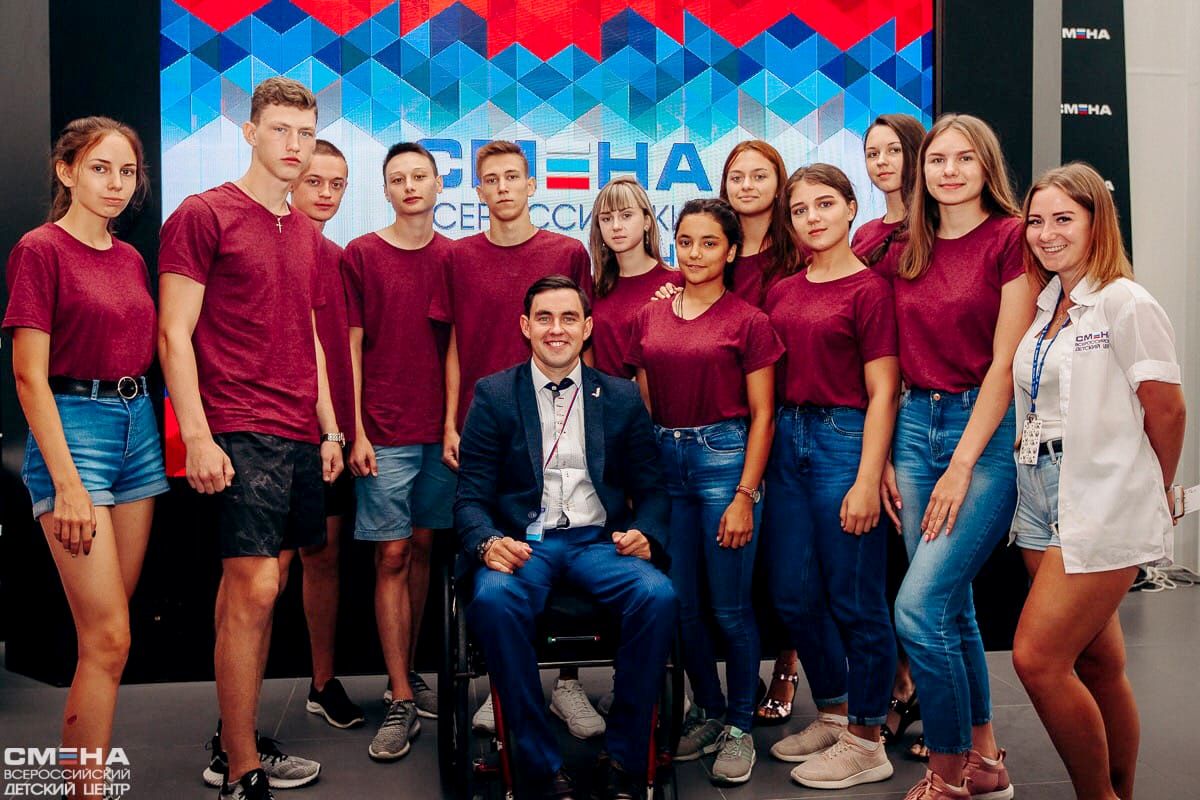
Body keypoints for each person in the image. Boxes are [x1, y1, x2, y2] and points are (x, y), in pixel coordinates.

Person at [159, 77, 342, 800]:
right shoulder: (204, 213)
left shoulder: (306, 233)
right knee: (256, 587)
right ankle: (242, 771)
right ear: (249, 132)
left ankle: (232, 742)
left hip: (297, 432)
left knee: (263, 588)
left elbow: (310, 339)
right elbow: (173, 334)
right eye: (280, 130)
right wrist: (197, 437)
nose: (294, 145)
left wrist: (329, 428)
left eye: (306, 133)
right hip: (237, 424)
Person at [457, 275, 677, 800]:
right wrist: (487, 543)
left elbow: (653, 489)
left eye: (569, 318)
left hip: (597, 543)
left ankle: (624, 758)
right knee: (492, 599)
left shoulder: (620, 396)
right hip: (524, 544)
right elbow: (469, 499)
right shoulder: (494, 395)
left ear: (587, 327)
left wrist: (646, 532)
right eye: (545, 319)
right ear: (525, 326)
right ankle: (537, 765)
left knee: (658, 595)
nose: (556, 329)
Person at [1010, 162, 1185, 800]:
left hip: (1100, 496)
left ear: (1096, 222)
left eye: (1063, 219)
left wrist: (1151, 489)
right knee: (1098, 662)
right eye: (1036, 221)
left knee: (1037, 659)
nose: (1046, 233)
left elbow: (1167, 409)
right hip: (1038, 492)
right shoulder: (1047, 304)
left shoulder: (1124, 301)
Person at [4, 117, 168, 800]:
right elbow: (28, 377)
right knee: (107, 639)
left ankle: (84, 784)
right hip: (74, 434)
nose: (116, 184)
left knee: (108, 639)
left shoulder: (129, 258)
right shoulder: (40, 250)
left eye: (127, 172)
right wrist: (67, 484)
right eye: (101, 168)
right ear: (66, 171)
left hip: (139, 431)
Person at [429, 140, 600, 738]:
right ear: (478, 190)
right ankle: (508, 682)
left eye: (512, 177)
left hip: (559, 427)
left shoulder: (566, 252)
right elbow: (454, 344)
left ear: (531, 186)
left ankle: (568, 685)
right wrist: (451, 421)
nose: (501, 187)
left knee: (567, 542)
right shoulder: (457, 258)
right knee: (507, 555)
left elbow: (584, 341)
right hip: (488, 431)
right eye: (490, 178)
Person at [887, 113, 1035, 800]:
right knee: (952, 608)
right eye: (937, 159)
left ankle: (946, 774)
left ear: (987, 167)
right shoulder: (906, 246)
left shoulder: (1010, 238)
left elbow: (1005, 363)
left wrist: (962, 464)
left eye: (964, 158)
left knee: (919, 607)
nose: (949, 170)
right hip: (914, 425)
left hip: (985, 431)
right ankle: (985, 761)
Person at [627, 198, 783, 785]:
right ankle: (711, 709)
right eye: (686, 241)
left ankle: (740, 725)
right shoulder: (650, 316)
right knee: (681, 605)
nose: (695, 253)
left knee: (730, 608)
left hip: (725, 463)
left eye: (709, 243)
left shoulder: (749, 321)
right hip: (666, 467)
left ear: (732, 250)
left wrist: (745, 494)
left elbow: (764, 416)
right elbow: (643, 398)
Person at [762, 164, 900, 789]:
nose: (812, 217)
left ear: (850, 208)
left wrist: (868, 478)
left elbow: (884, 390)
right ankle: (836, 712)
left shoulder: (869, 290)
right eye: (799, 209)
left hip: (845, 440)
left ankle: (868, 740)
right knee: (792, 593)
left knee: (856, 598)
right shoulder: (782, 291)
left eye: (824, 204)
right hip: (787, 440)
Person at [342, 142, 457, 759]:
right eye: (397, 178)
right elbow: (350, 348)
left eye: (419, 176)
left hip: (442, 434)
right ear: (384, 190)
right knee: (389, 553)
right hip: (382, 431)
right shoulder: (361, 254)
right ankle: (401, 698)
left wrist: (455, 425)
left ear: (439, 185)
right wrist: (354, 430)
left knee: (421, 549)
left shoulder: (456, 258)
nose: (409, 186)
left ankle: (405, 675)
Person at [281, 138, 366, 731]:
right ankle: (233, 725)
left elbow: (347, 353)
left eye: (337, 184)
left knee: (325, 558)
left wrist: (342, 432)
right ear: (291, 181)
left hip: (331, 439)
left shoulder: (340, 259)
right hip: (275, 433)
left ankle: (322, 682)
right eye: (315, 181)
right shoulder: (268, 246)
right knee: (264, 575)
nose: (327, 194)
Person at [854, 113, 928, 754]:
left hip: (926, 408)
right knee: (884, 567)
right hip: (875, 408)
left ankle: (942, 701)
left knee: (925, 567)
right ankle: (903, 688)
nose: (881, 162)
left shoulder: (933, 231)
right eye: (872, 152)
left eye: (892, 151)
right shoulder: (864, 234)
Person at [588, 176, 680, 378]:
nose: (616, 226)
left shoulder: (678, 282)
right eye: (606, 218)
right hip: (603, 395)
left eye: (626, 215)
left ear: (647, 221)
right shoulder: (593, 287)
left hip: (658, 396)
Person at [720, 140, 803, 308]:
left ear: (779, 186)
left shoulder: (802, 251)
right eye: (736, 178)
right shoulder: (713, 251)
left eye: (759, 177)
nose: (746, 186)